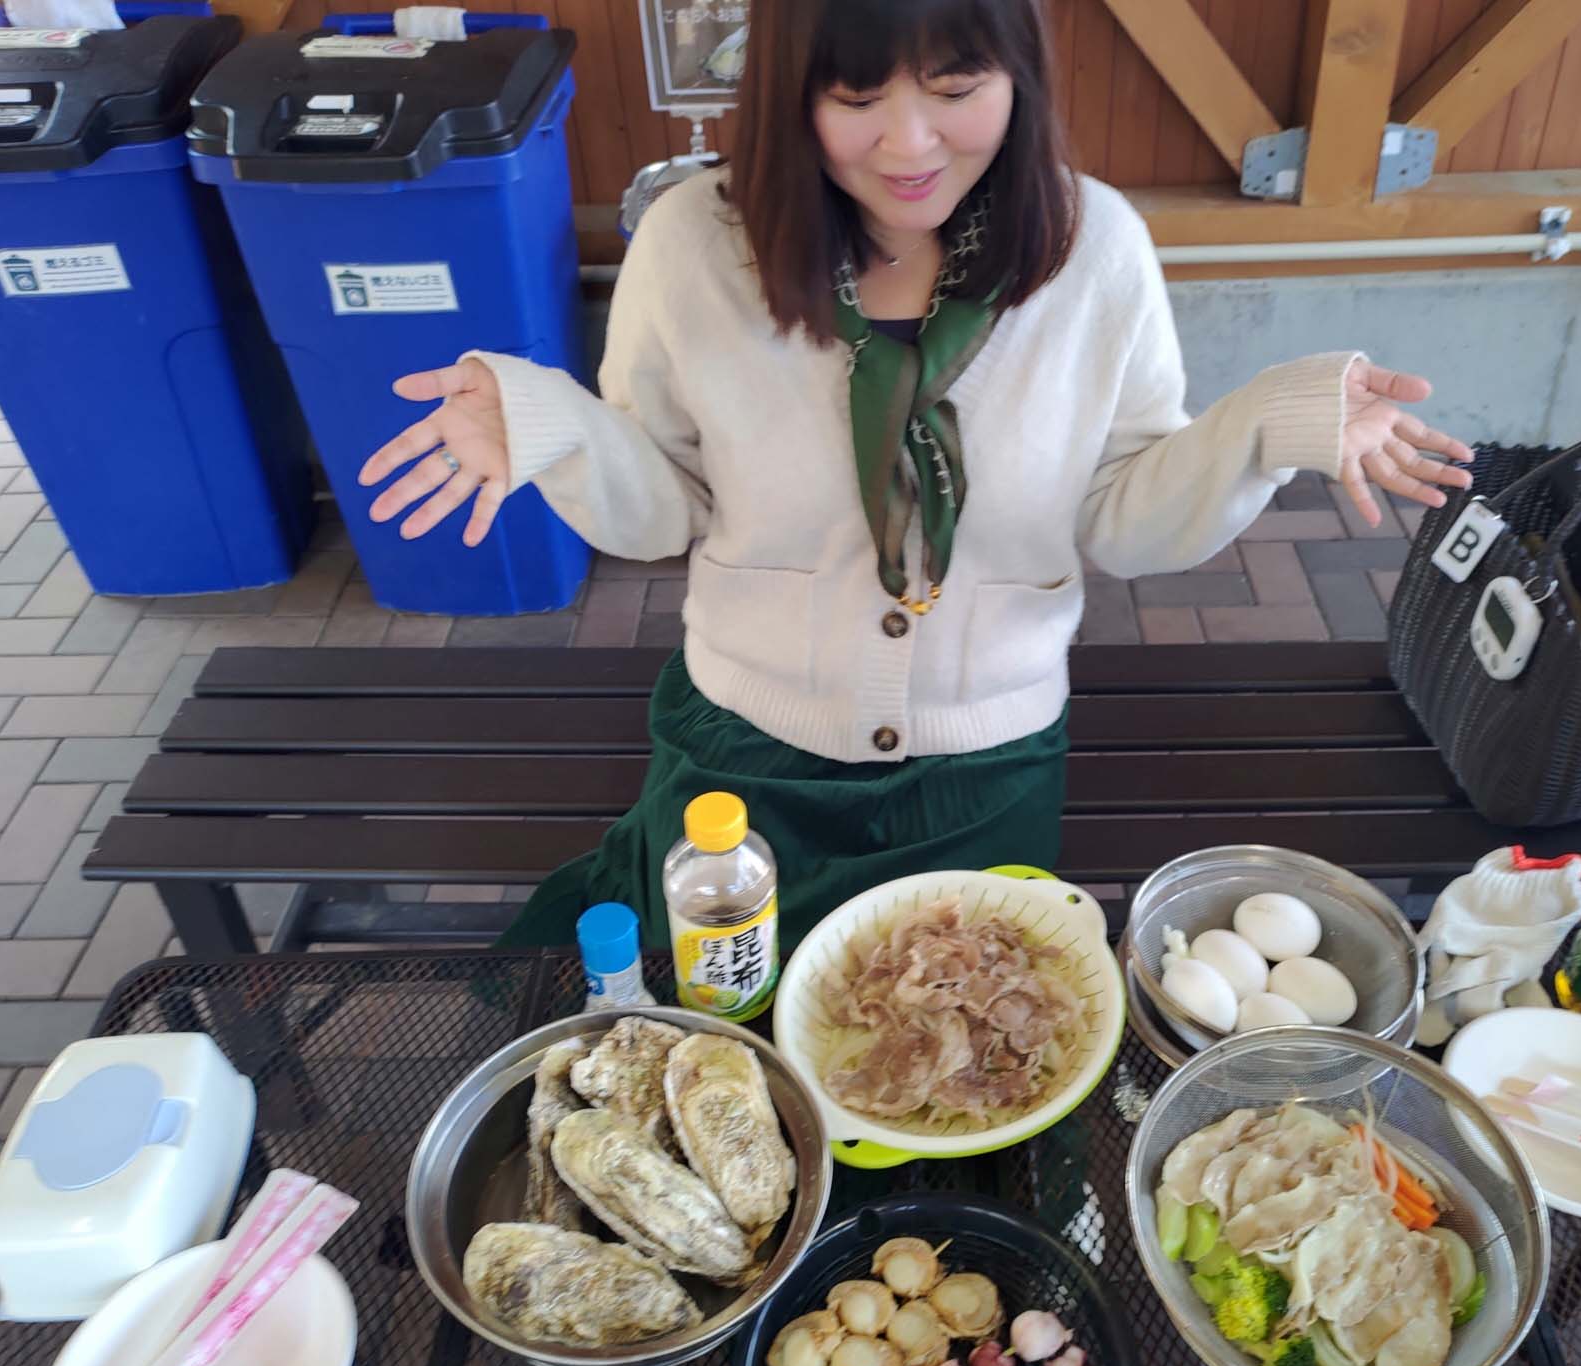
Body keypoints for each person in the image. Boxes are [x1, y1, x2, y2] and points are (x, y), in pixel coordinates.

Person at [356, 0, 1472, 957]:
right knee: (708, 1052)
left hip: (983, 767)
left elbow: (1123, 520)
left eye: (955, 84)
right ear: (790, 89)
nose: (907, 143)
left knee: (952, 1061)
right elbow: (664, 512)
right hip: (742, 753)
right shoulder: (695, 244)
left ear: (1017, 74)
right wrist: (556, 427)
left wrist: (1262, 428)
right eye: (853, 95)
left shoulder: (1096, 252)